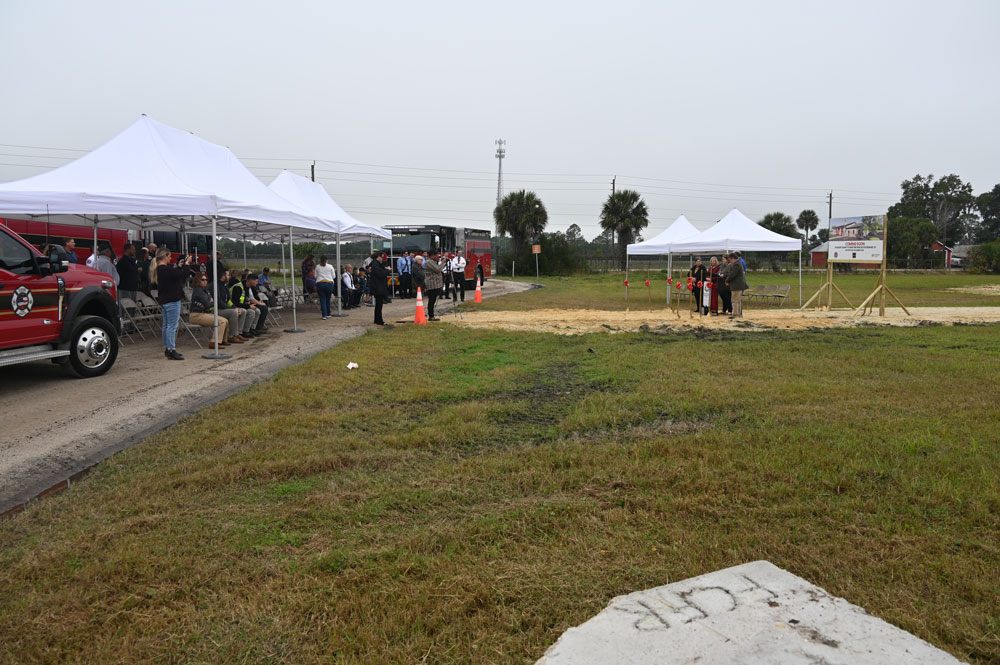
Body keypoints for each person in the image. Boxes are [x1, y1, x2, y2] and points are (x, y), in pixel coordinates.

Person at [151, 248, 196, 360]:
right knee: (172, 326)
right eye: (169, 256)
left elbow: (175, 274)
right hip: (172, 300)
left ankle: (168, 348)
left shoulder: (161, 269)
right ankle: (171, 349)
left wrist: (180, 266)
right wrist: (186, 264)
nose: (170, 258)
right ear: (165, 256)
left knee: (166, 325)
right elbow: (183, 275)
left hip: (165, 300)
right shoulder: (165, 269)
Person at [189, 272, 230, 347]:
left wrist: (210, 301)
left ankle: (223, 340)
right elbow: (208, 303)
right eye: (203, 280)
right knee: (221, 321)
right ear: (198, 280)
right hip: (196, 315)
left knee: (225, 320)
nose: (205, 281)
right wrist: (210, 301)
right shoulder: (198, 290)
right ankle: (214, 342)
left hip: (204, 313)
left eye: (206, 280)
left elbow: (211, 302)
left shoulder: (205, 290)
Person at [218, 270, 248, 343]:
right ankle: (231, 336)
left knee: (243, 311)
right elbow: (219, 302)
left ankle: (237, 333)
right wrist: (232, 309)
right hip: (217, 309)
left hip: (224, 308)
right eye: (228, 275)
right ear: (223, 277)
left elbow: (228, 301)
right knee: (234, 312)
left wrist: (235, 307)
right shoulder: (216, 286)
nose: (229, 277)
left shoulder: (224, 286)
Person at [228, 272, 261, 337]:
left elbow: (243, 300)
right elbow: (235, 303)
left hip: (241, 306)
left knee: (257, 310)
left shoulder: (247, 287)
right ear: (251, 281)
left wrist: (248, 304)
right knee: (251, 312)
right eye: (256, 281)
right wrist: (248, 306)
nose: (257, 283)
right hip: (233, 307)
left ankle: (252, 329)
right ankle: (243, 332)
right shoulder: (238, 287)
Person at [368, 251, 390, 326]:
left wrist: (385, 269)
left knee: (379, 304)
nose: (382, 259)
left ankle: (377, 319)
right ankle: (379, 320)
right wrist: (387, 270)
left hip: (378, 286)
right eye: (382, 257)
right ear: (378, 257)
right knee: (379, 304)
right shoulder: (375, 264)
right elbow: (380, 274)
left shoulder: (376, 264)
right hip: (378, 286)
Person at [725, 251, 748, 319]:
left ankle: (735, 314)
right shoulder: (738, 263)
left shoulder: (736, 264)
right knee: (738, 300)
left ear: (732, 258)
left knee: (734, 300)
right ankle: (738, 314)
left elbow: (733, 274)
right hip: (739, 284)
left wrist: (727, 280)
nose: (730, 261)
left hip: (736, 284)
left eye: (730, 260)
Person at [423, 250, 444, 321]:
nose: (437, 257)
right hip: (432, 284)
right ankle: (431, 316)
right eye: (436, 255)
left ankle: (431, 315)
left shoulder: (432, 261)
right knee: (431, 300)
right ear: (432, 255)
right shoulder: (429, 262)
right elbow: (438, 269)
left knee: (433, 300)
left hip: (435, 284)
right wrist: (443, 263)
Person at [314, 255, 336, 319]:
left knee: (322, 299)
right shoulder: (330, 266)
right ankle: (328, 313)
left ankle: (324, 315)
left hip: (320, 283)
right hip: (329, 283)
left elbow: (315, 276)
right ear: (327, 260)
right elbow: (334, 276)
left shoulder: (317, 266)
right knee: (328, 299)